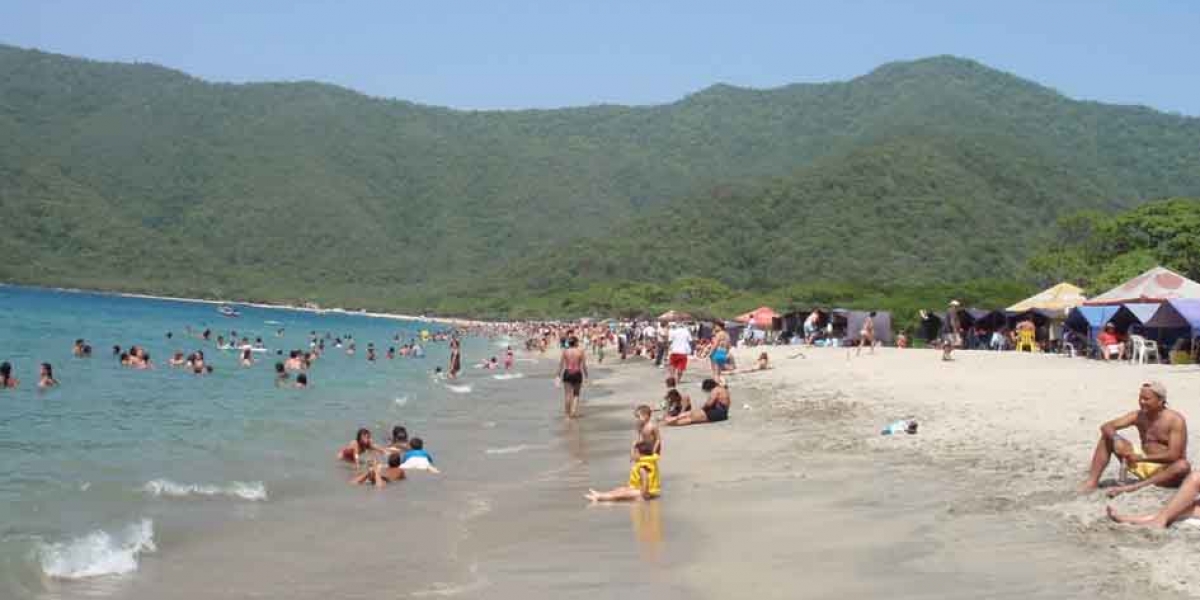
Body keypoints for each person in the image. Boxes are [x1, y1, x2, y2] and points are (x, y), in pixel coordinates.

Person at [1079, 381, 1189, 497]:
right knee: (1107, 437)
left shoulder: (1175, 420)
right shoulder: (1138, 415)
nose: (1142, 402)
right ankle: (1091, 482)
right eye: (1140, 398)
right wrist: (1116, 439)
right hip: (1141, 463)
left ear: (1160, 401)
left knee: (1183, 466)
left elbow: (1174, 455)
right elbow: (1106, 426)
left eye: (1146, 399)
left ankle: (1134, 487)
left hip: (1165, 471)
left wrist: (1142, 458)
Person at [586, 441, 661, 502]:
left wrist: (643, 496)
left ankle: (599, 498)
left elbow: (646, 482)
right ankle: (601, 494)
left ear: (642, 454)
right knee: (619, 489)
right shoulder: (645, 463)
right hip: (642, 491)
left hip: (647, 493)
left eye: (635, 452)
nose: (633, 454)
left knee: (621, 494)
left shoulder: (643, 467)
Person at [665, 379, 730, 426]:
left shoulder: (715, 390)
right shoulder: (722, 389)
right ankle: (672, 420)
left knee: (692, 418)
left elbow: (709, 403)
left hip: (718, 412)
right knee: (692, 415)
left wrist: (702, 409)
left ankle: (672, 421)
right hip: (722, 412)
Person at [557, 336, 588, 418]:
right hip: (577, 373)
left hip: (567, 372)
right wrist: (586, 376)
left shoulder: (565, 351)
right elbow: (584, 365)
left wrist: (558, 375)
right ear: (576, 343)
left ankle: (567, 415)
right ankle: (573, 412)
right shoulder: (580, 351)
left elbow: (561, 365)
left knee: (567, 395)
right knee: (576, 394)